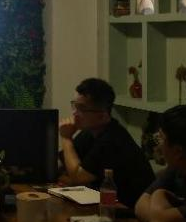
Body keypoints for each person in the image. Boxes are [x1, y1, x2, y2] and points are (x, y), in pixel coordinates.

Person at [59, 78, 154, 207]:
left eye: (82, 109)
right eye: (75, 106)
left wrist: (66, 138)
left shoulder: (113, 139)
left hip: (129, 212)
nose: (74, 113)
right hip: (105, 204)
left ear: (102, 115)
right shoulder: (90, 131)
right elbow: (64, 164)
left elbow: (78, 176)